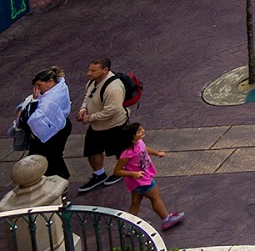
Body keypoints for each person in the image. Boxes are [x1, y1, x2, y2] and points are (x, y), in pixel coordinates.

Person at [75, 57, 132, 195]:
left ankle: (122, 170)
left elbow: (112, 110)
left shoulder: (113, 87)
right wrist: (83, 110)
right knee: (92, 152)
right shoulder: (92, 82)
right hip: (97, 126)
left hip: (114, 125)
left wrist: (90, 118)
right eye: (89, 69)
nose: (89, 73)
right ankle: (99, 174)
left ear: (105, 70)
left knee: (120, 151)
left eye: (93, 70)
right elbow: (88, 97)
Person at [112, 122, 183, 231]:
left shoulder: (139, 142)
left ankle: (131, 226)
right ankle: (166, 219)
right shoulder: (127, 153)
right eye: (139, 131)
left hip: (136, 182)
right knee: (156, 197)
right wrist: (134, 174)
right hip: (142, 179)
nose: (143, 131)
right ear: (132, 136)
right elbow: (117, 171)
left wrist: (156, 153)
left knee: (135, 202)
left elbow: (144, 149)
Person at [14, 67, 71, 179]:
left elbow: (29, 119)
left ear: (50, 81)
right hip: (61, 126)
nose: (37, 89)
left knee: (46, 158)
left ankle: (58, 181)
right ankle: (63, 177)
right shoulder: (60, 86)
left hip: (53, 132)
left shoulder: (49, 101)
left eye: (39, 85)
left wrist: (34, 100)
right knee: (54, 156)